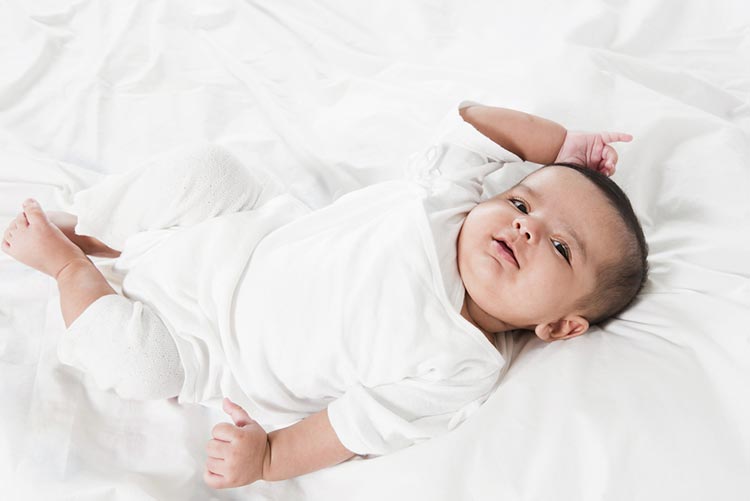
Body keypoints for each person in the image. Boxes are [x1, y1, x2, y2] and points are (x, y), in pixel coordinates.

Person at [1, 101, 647, 488]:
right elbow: (478, 126)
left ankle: (66, 269)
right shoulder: (453, 201)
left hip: (209, 345)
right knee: (211, 169)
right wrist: (563, 145)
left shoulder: (460, 361)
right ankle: (90, 229)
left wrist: (271, 456)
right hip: (244, 230)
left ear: (561, 327)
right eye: (521, 199)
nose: (526, 227)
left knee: (138, 365)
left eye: (562, 248)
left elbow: (351, 426)